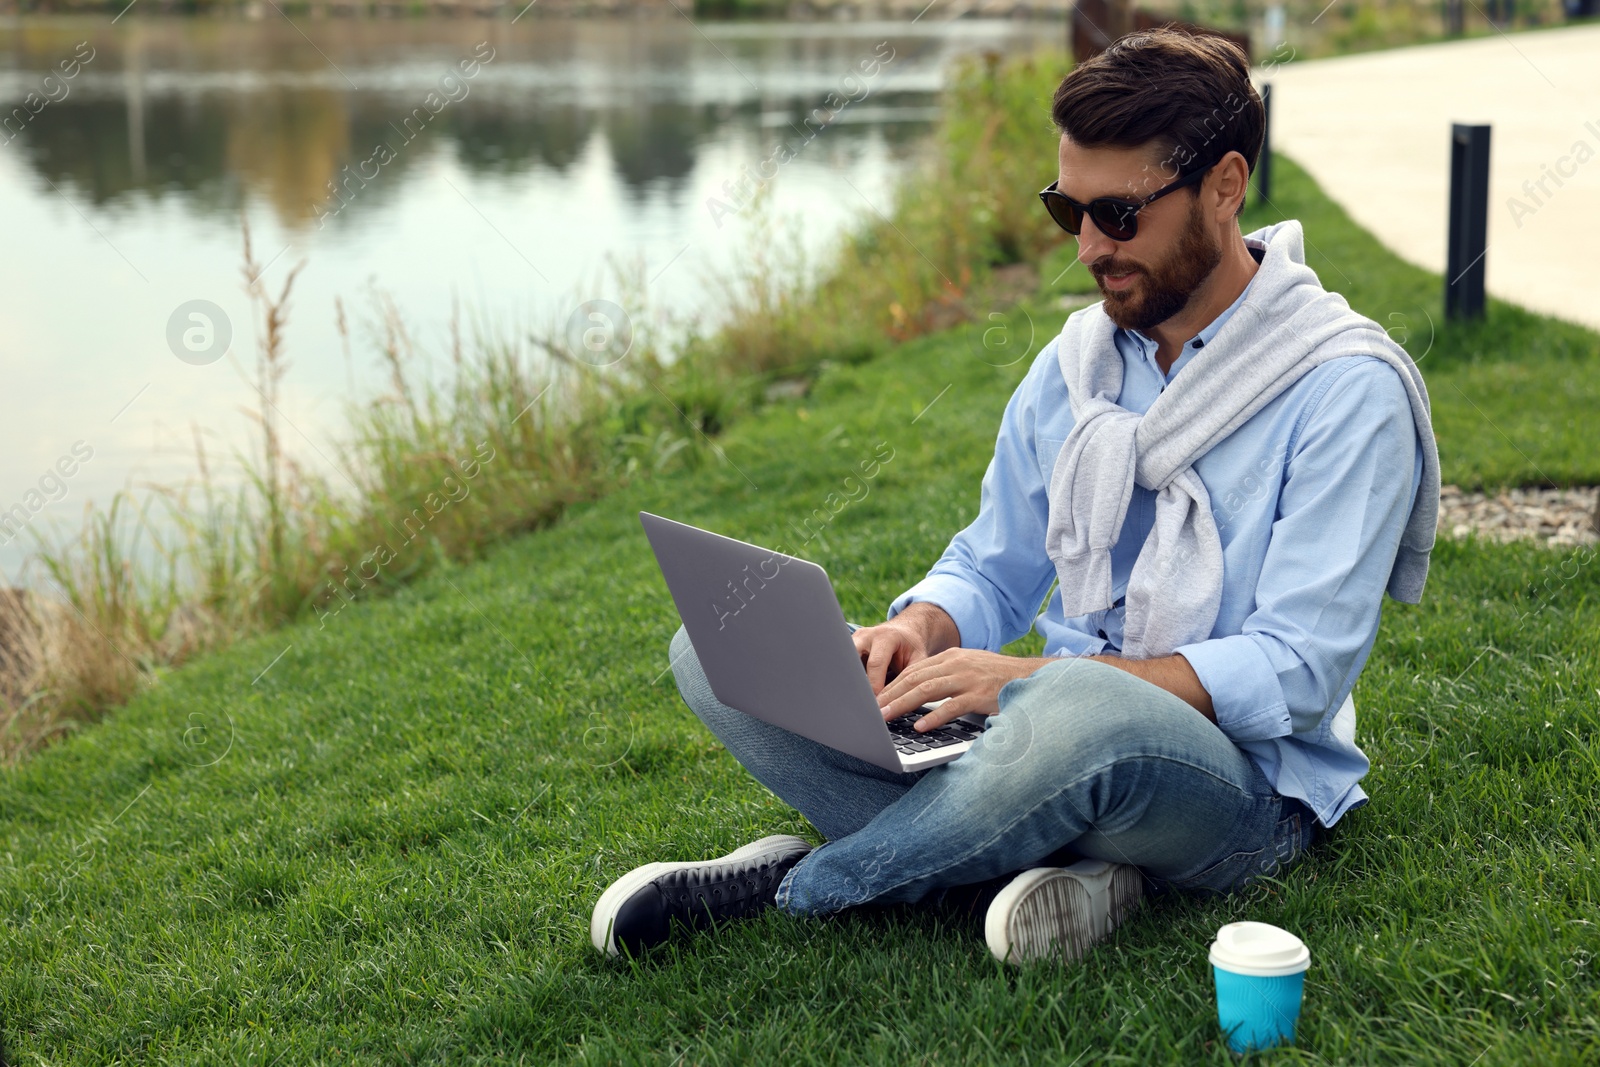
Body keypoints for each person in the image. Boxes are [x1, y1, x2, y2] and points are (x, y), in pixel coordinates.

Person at [590, 27, 1439, 965]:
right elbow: (991, 565)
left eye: (1117, 214)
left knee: (1078, 717)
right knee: (723, 645)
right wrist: (917, 629)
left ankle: (805, 885)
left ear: (1227, 186)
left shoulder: (1344, 386)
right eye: (1064, 211)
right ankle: (1064, 868)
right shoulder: (1076, 365)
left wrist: (1035, 681)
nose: (1086, 250)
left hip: (1240, 790)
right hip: (1039, 732)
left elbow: (1295, 671)